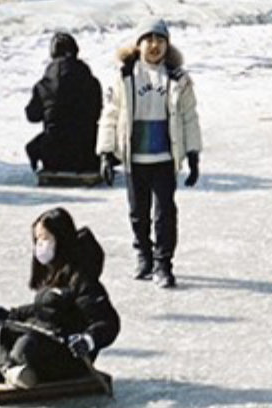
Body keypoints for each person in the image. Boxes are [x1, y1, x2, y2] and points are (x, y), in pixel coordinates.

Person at [97, 17, 203, 288]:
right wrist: (107, 153)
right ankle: (143, 253)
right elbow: (111, 115)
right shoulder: (125, 76)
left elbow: (189, 117)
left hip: (165, 158)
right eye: (149, 40)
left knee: (165, 213)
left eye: (160, 40)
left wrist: (193, 153)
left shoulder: (178, 78)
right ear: (139, 44)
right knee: (138, 213)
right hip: (136, 158)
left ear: (167, 44)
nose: (155, 45)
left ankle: (163, 263)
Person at [0, 208, 120, 389]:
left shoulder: (82, 279)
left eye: (45, 239)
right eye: (37, 239)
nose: (39, 245)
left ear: (61, 239)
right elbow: (42, 307)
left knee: (26, 342)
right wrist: (12, 314)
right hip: (41, 340)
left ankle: (9, 366)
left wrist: (88, 340)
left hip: (67, 356)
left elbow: (107, 321)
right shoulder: (54, 271)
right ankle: (7, 368)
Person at [25, 32, 102, 174]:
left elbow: (32, 116)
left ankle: (36, 153)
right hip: (86, 156)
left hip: (53, 156)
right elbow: (97, 113)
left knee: (48, 135)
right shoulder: (91, 82)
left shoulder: (42, 85)